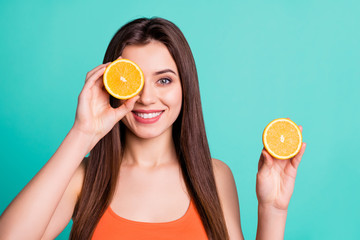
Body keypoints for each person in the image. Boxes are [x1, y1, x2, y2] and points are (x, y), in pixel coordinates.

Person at [0, 17, 306, 240]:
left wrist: (273, 210)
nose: (147, 98)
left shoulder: (214, 177)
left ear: (186, 87)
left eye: (164, 80)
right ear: (112, 86)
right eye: (134, 81)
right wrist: (83, 134)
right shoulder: (85, 178)